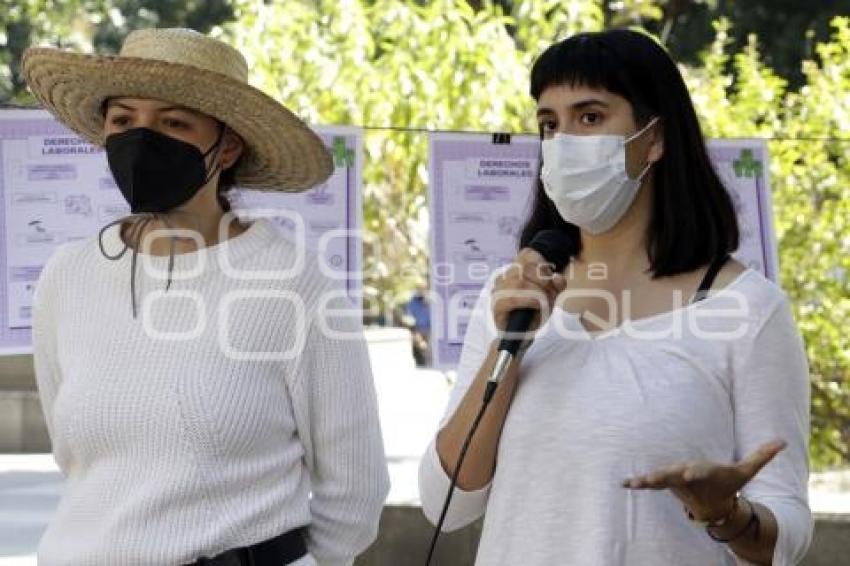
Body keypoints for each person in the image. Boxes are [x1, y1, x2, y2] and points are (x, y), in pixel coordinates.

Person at [419, 29, 811, 565]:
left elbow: (786, 531)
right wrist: (508, 348)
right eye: (549, 124)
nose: (563, 143)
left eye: (590, 117)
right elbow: (446, 503)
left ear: (655, 138)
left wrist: (727, 513)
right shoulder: (514, 295)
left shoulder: (747, 310)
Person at [24, 28, 389, 566]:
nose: (141, 139)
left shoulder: (294, 283)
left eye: (173, 122)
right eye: (123, 120)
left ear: (228, 144)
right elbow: (73, 454)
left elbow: (355, 491)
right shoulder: (68, 275)